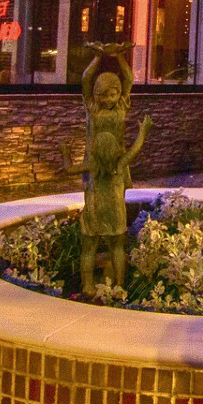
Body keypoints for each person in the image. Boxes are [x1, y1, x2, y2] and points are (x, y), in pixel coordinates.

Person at [66, 50, 149, 293]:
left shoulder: (122, 107)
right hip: (96, 172)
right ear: (97, 94)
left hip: (115, 170)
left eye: (114, 93)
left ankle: (120, 284)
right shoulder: (92, 109)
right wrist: (98, 57)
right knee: (92, 238)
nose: (110, 98)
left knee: (116, 238)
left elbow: (129, 79)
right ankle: (88, 285)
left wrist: (121, 56)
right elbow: (86, 78)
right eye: (104, 94)